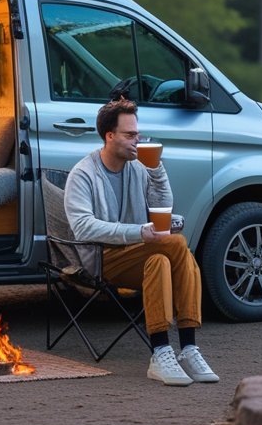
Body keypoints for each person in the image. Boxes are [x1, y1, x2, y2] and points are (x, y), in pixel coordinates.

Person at [63, 97, 219, 387]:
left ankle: (167, 351)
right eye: (130, 135)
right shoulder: (83, 174)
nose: (138, 140)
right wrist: (139, 232)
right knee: (176, 244)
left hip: (141, 254)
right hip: (102, 259)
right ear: (110, 136)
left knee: (160, 260)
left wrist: (157, 169)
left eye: (138, 134)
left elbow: (163, 206)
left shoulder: (138, 168)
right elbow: (83, 227)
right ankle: (188, 345)